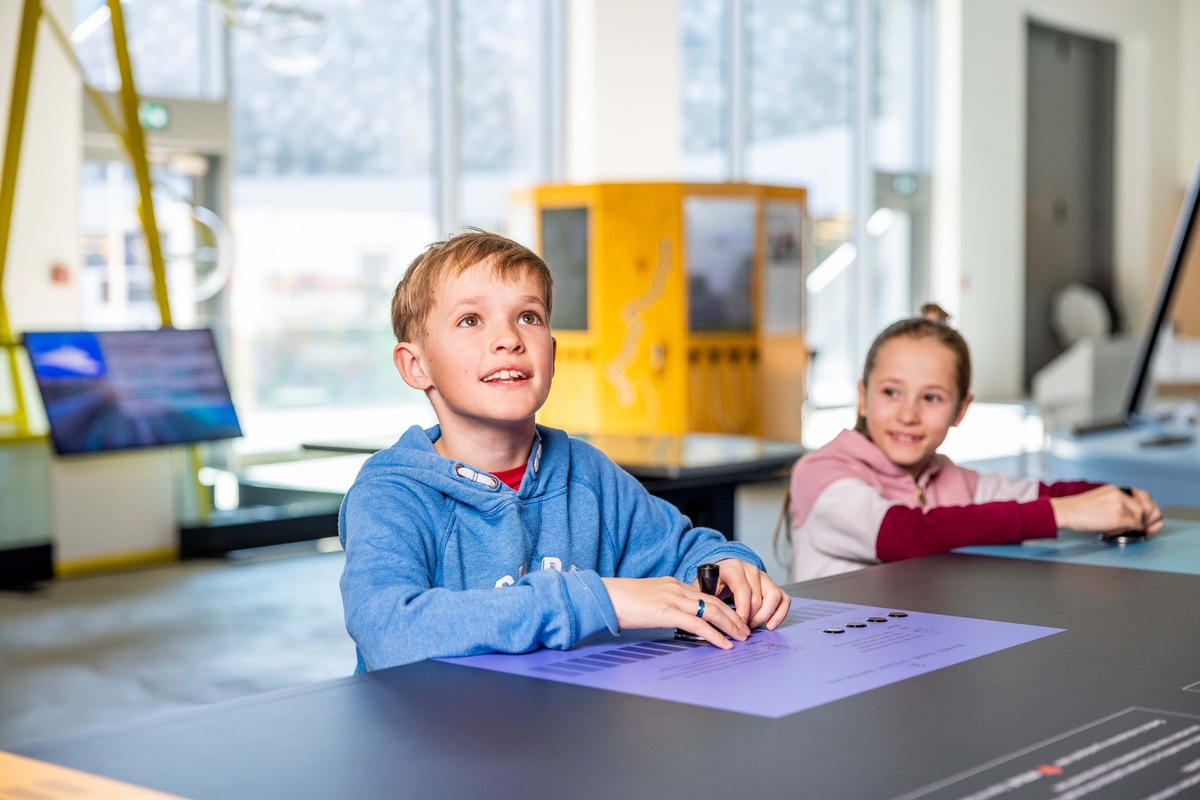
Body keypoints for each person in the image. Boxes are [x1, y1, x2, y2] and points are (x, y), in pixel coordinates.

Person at [339, 231, 791, 670]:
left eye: (529, 317)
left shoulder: (587, 473)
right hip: (433, 738)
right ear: (416, 365)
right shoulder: (390, 494)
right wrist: (600, 600)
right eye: (470, 320)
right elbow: (389, 630)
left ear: (551, 354)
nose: (510, 339)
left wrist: (728, 566)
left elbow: (684, 551)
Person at [784, 308, 1163, 581]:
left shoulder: (954, 480)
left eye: (931, 398)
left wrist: (1117, 497)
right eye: (891, 392)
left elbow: (1041, 493)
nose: (908, 414)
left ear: (961, 410)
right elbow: (903, 534)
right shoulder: (820, 474)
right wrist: (1064, 514)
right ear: (863, 398)